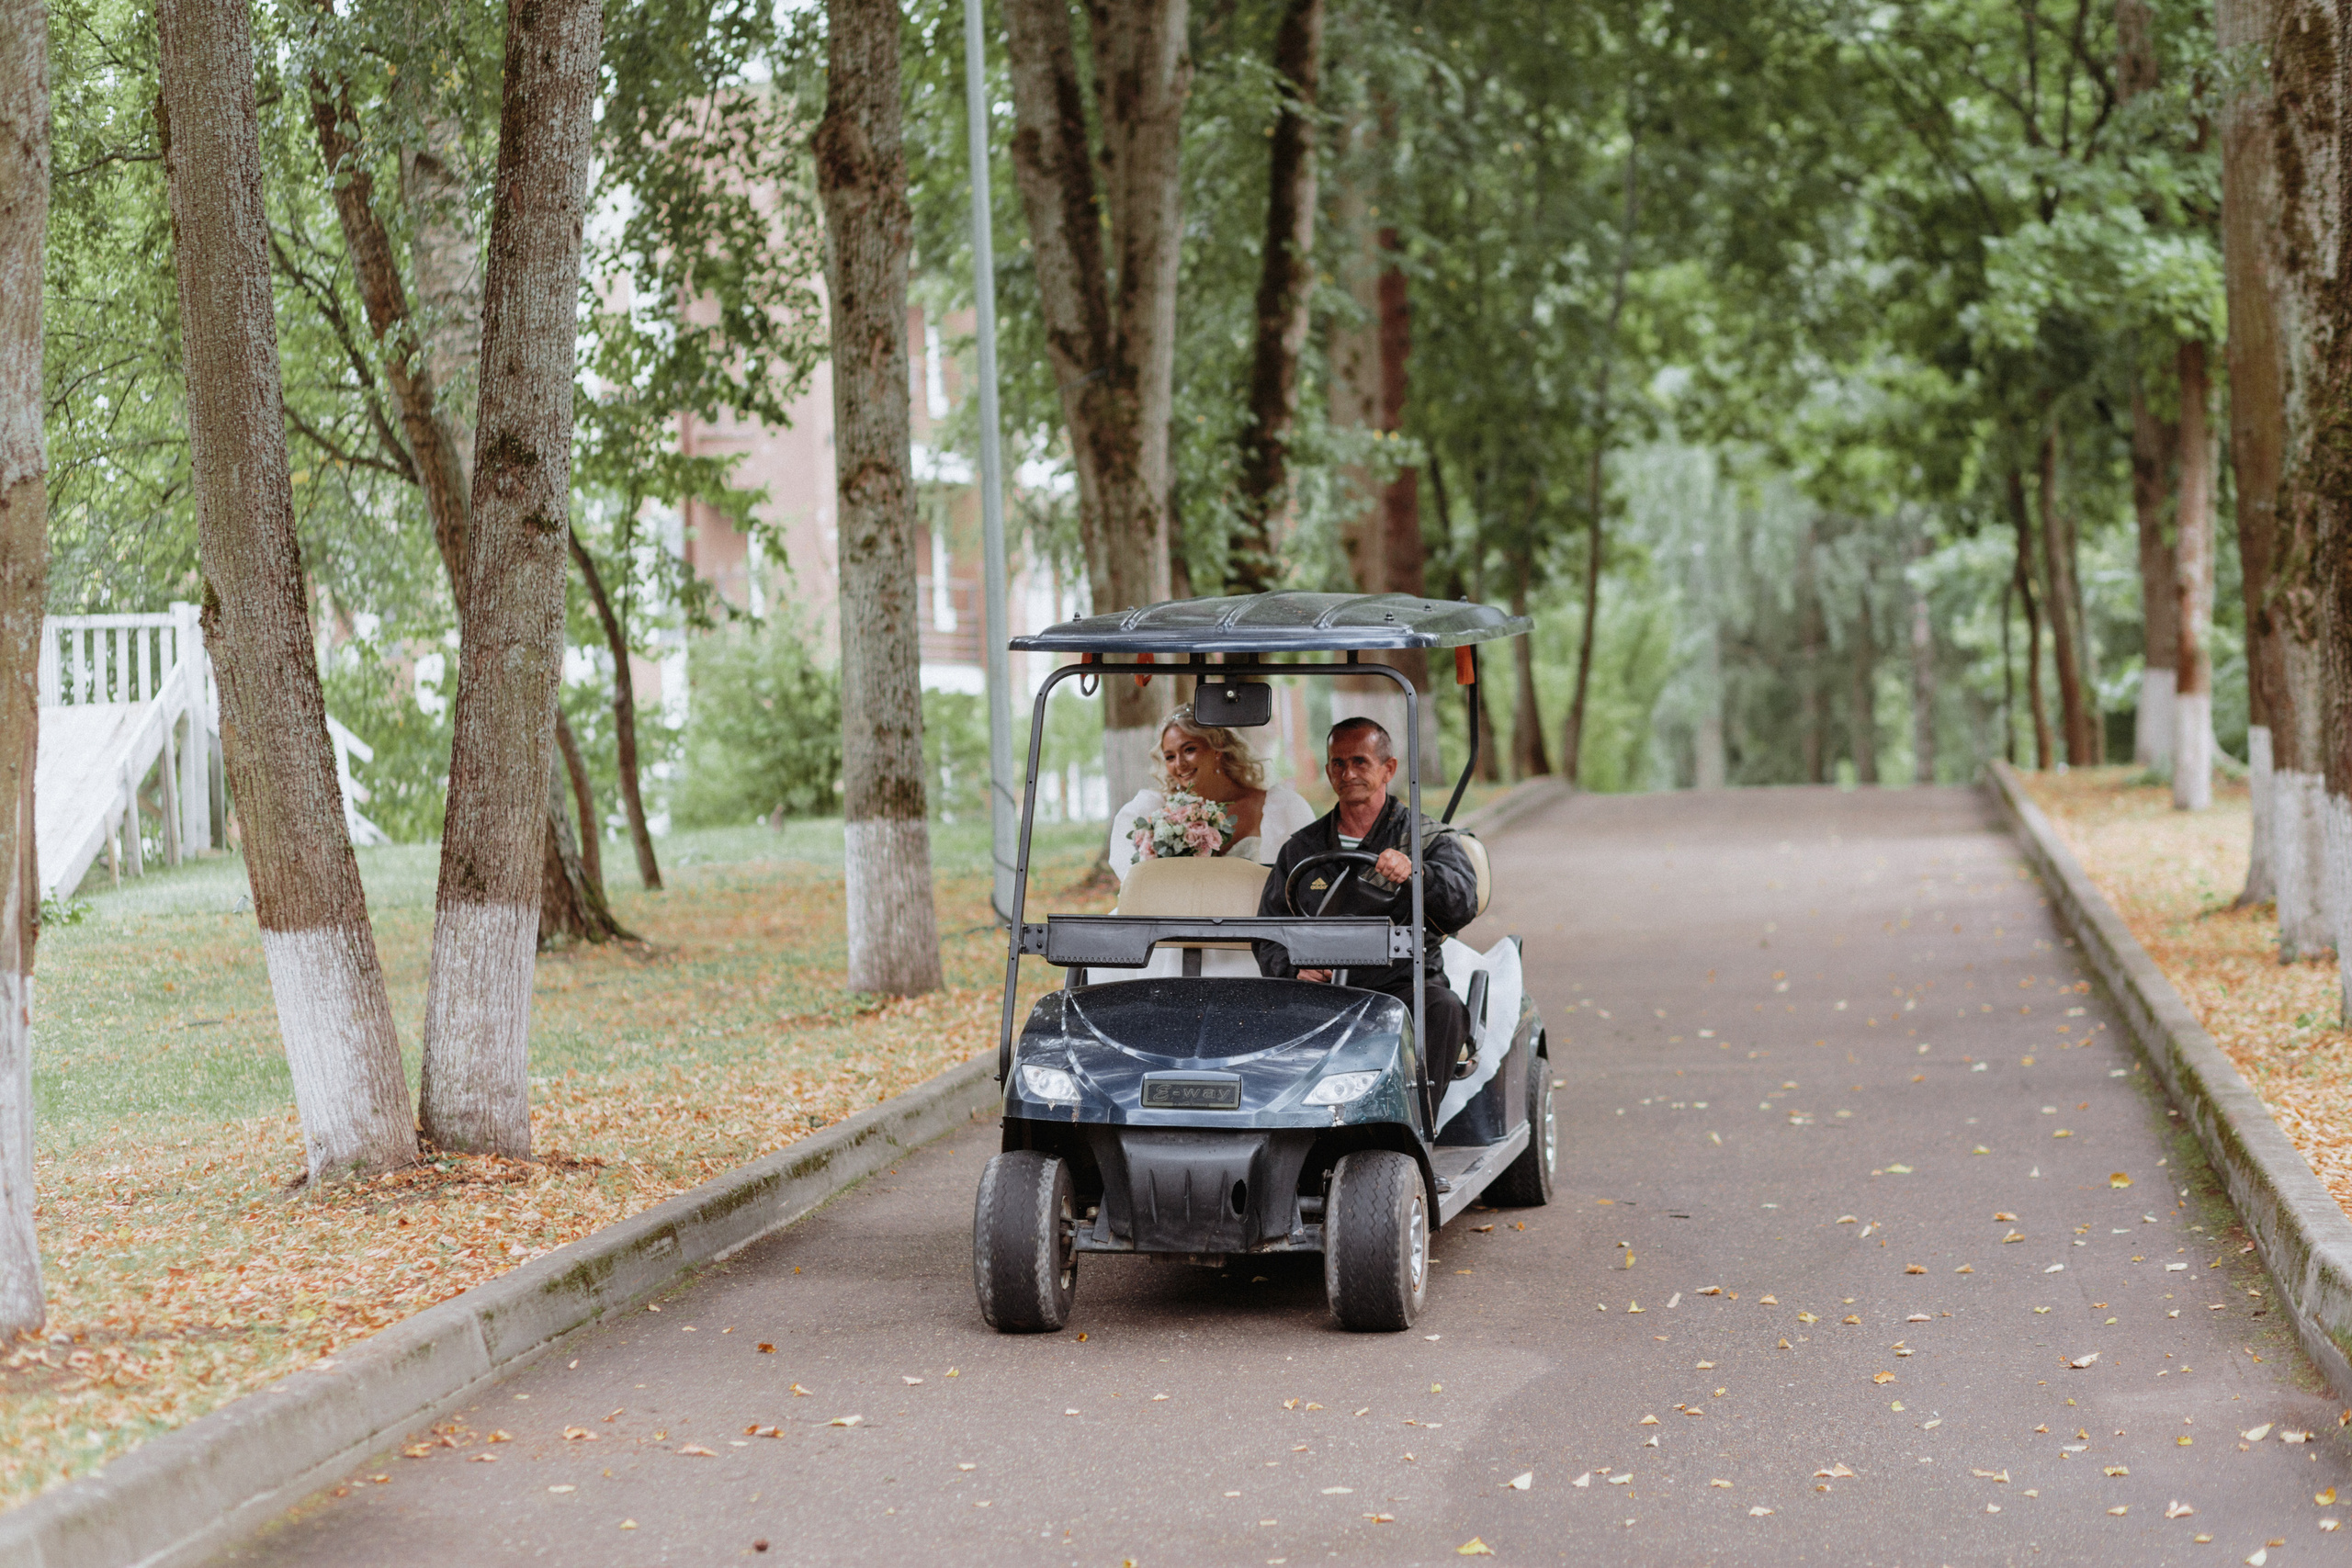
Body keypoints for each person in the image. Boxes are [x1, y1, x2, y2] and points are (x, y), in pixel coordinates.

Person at [1253, 716, 1479, 1098]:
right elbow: (1268, 933)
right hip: (1321, 994)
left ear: (1388, 769)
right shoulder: (1301, 848)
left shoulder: (1426, 840)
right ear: (1328, 771)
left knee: (1444, 1007)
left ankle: (1419, 1130)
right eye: (1338, 764)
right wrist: (1294, 969)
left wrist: (1416, 874)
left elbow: (1462, 902)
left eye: (1360, 761)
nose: (1348, 772)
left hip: (1400, 987)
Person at [1107, 705, 1317, 882]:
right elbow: (1136, 881)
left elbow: (1307, 877)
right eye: (1170, 757)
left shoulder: (1278, 807)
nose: (1179, 764)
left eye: (1189, 750)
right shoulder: (1154, 811)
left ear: (1217, 747)